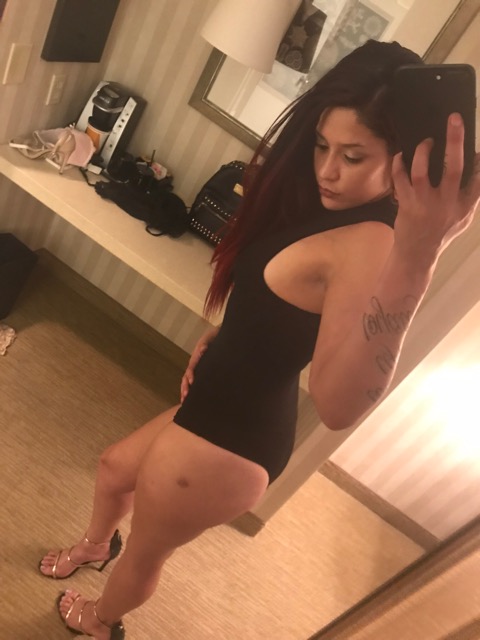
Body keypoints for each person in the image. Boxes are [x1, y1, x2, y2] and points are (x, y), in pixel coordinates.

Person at [39, 40, 479, 639]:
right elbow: (283, 301)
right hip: (217, 400)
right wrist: (226, 335)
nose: (328, 170)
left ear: (399, 160)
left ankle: (99, 621)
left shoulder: (375, 244)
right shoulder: (325, 205)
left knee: (144, 552)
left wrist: (422, 254)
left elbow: (338, 405)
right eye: (322, 145)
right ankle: (96, 546)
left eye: (353, 156)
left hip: (231, 443)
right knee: (115, 468)